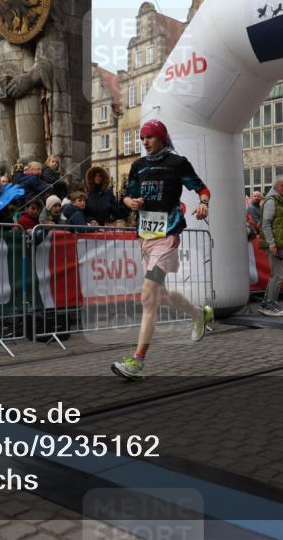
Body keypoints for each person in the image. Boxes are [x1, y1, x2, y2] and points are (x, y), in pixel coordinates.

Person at [112, 119, 213, 381]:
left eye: (149, 137)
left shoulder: (177, 163)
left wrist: (203, 203)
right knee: (161, 296)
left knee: (148, 297)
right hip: (145, 237)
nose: (144, 142)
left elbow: (202, 189)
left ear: (161, 137)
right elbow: (126, 195)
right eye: (142, 138)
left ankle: (137, 362)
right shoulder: (138, 166)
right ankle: (198, 313)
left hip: (167, 237)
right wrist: (130, 202)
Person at [259, 175, 283, 318]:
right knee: (278, 276)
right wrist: (272, 243)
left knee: (275, 275)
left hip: (279, 243)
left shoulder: (282, 201)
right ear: (275, 186)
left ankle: (266, 304)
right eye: (282, 185)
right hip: (275, 243)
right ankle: (270, 305)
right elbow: (266, 223)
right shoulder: (272, 201)